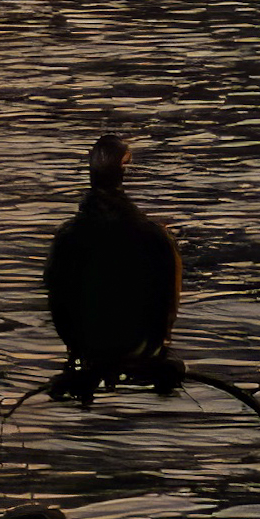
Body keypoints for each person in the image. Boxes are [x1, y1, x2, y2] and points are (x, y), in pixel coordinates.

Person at [43, 136, 187, 402]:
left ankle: (83, 364)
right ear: (123, 170)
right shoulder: (154, 239)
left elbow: (60, 306)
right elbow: (163, 309)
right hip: (140, 352)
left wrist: (79, 357)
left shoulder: (69, 239)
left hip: (89, 354)